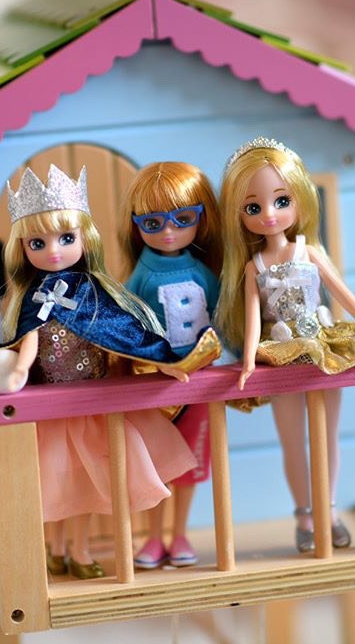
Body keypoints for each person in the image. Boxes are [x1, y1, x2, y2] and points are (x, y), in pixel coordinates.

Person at [0, 164, 220, 578]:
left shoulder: (94, 292)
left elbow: (122, 332)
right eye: (38, 243)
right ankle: (56, 549)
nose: (54, 252)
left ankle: (80, 549)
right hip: (55, 411)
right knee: (60, 486)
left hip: (93, 407)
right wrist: (19, 370)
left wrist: (164, 359)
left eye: (66, 238)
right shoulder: (34, 297)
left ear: (84, 239)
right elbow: (29, 337)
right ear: (22, 248)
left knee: (91, 486)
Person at [214, 138, 355, 552]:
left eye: (281, 201)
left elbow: (344, 294)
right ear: (238, 216)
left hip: (322, 347)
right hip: (281, 354)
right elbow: (252, 319)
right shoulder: (254, 267)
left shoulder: (309, 252)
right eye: (253, 207)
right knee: (291, 440)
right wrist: (248, 361)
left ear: (299, 198)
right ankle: (304, 514)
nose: (269, 214)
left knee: (327, 434)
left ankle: (328, 510)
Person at [120, 162, 221, 569]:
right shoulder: (141, 276)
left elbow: (224, 315)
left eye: (182, 220)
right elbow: (127, 321)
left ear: (200, 219)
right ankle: (153, 536)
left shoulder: (203, 273)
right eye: (152, 222)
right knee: (156, 462)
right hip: (156, 382)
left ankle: (179, 532)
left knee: (192, 460)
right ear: (136, 225)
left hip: (198, 380)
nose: (168, 232)